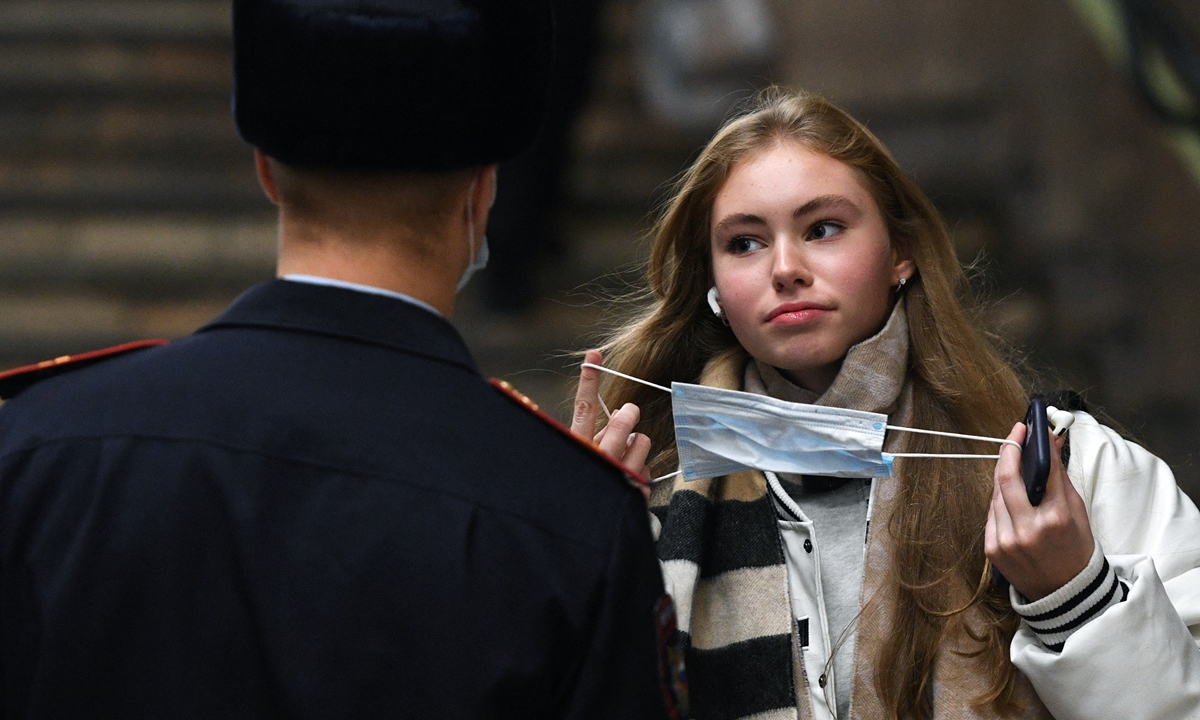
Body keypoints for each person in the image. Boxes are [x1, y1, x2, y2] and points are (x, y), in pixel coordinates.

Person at [0, 2, 679, 718]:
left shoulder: (40, 444)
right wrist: (563, 511)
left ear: (266, 171)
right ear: (482, 194)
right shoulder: (570, 517)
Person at [571, 88, 1200, 720]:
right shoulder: (647, 489)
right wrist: (577, 554)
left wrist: (1076, 597)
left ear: (901, 252)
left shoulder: (1068, 472)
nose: (785, 268)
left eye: (823, 229)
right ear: (712, 284)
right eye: (744, 243)